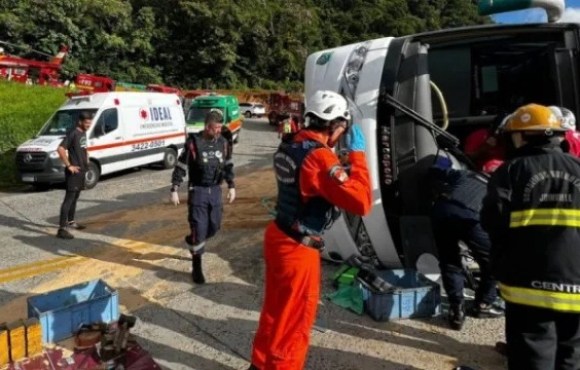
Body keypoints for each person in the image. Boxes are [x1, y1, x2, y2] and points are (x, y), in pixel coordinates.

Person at [248, 90, 372, 370]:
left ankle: (259, 364)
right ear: (333, 125)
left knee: (275, 311)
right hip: (297, 248)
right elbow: (362, 202)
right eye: (342, 127)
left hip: (279, 235)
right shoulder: (320, 158)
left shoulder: (291, 144)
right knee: (295, 321)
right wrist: (358, 156)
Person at [481, 103, 580, 370]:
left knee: (532, 354)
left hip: (528, 285)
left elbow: (492, 220)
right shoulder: (578, 167)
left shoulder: (512, 171)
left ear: (521, 136)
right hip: (576, 283)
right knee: (572, 353)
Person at [428, 155, 502, 330]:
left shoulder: (465, 175)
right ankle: (483, 305)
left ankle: (456, 310)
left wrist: (442, 160)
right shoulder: (498, 188)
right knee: (493, 262)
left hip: (442, 211)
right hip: (471, 217)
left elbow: (435, 170)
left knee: (450, 260)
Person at [169, 109, 235, 284]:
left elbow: (228, 164)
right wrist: (174, 188)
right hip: (197, 191)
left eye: (220, 128)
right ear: (207, 127)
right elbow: (182, 165)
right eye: (216, 128)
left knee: (213, 227)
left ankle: (192, 240)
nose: (219, 131)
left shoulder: (223, 142)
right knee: (199, 229)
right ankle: (197, 266)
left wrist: (231, 185)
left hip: (215, 191)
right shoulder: (194, 142)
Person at [56, 111, 92, 239]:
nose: (89, 125)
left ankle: (71, 222)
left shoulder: (83, 132)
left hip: (81, 171)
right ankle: (61, 229)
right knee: (69, 199)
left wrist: (86, 156)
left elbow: (83, 147)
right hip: (74, 172)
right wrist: (69, 165)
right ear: (80, 122)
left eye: (90, 123)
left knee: (75, 197)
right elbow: (60, 149)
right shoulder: (73, 133)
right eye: (87, 123)